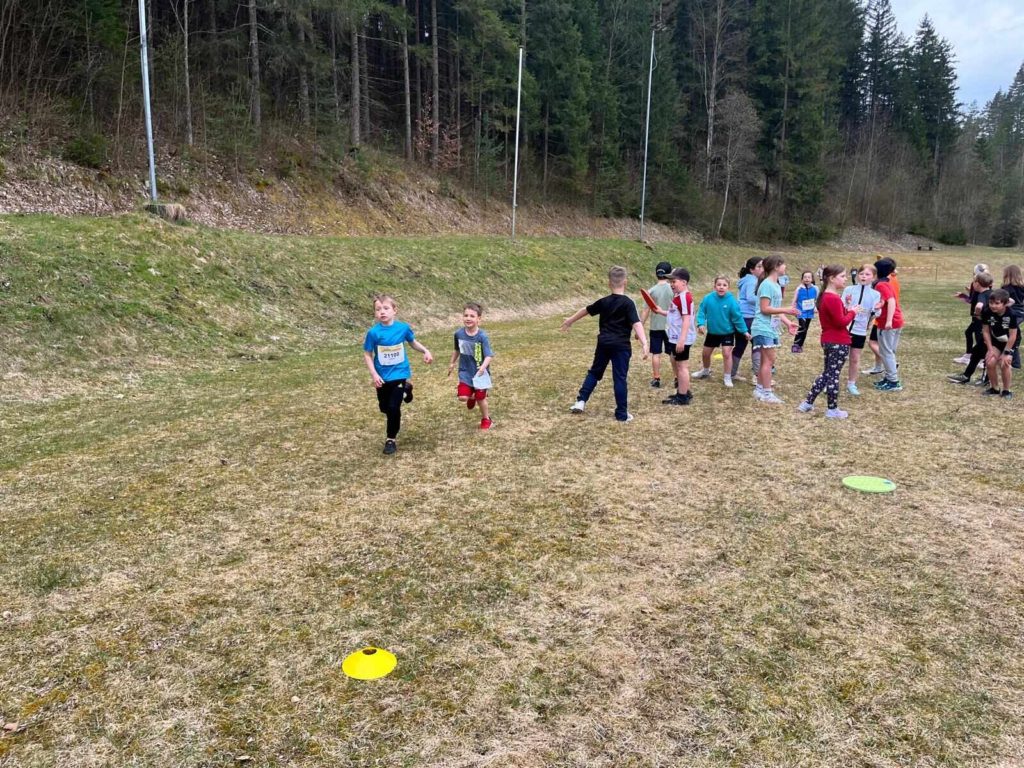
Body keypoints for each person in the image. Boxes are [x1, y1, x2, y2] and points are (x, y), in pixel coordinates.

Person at [564, 266, 649, 421]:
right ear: (625, 282)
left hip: (603, 343)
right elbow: (637, 324)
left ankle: (580, 401)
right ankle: (621, 414)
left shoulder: (604, 302)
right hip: (621, 346)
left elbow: (586, 310)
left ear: (609, 283)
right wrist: (644, 343)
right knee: (619, 378)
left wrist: (570, 320)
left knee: (594, 373)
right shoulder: (628, 303)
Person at [363, 294, 434, 454]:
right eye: (378, 309)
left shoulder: (403, 328)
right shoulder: (373, 333)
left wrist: (425, 351)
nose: (382, 312)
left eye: (386, 308)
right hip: (382, 376)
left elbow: (412, 342)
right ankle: (407, 389)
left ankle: (390, 440)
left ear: (394, 310)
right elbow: (367, 354)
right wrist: (374, 374)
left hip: (399, 373)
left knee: (393, 408)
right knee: (384, 408)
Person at [797, 265, 865, 419]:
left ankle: (807, 403)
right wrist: (853, 312)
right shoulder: (832, 298)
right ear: (832, 279)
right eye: (842, 276)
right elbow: (841, 322)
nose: (846, 279)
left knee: (828, 373)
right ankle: (832, 409)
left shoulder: (827, 296)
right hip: (838, 341)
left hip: (829, 340)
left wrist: (848, 307)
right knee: (833, 375)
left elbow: (837, 316)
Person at [751, 255, 799, 404]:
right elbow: (765, 309)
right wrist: (787, 309)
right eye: (783, 264)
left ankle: (760, 389)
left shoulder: (776, 285)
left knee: (766, 360)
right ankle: (767, 393)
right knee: (769, 360)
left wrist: (787, 322)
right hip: (762, 327)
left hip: (771, 327)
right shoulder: (767, 284)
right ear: (776, 267)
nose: (785, 267)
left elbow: (775, 309)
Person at [693, 274, 749, 388]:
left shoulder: (732, 301)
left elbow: (738, 318)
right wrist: (700, 324)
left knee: (726, 354)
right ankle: (705, 370)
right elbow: (701, 311)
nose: (721, 287)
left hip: (727, 333)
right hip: (712, 333)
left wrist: (745, 331)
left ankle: (727, 377)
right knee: (705, 354)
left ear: (728, 287)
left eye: (724, 285)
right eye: (719, 285)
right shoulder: (708, 298)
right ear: (714, 286)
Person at [652, 268, 698, 405]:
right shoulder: (679, 296)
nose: (671, 284)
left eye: (674, 281)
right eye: (670, 281)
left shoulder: (684, 297)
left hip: (681, 338)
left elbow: (686, 319)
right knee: (677, 363)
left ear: (684, 282)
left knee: (682, 366)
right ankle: (683, 391)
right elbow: (674, 314)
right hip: (675, 337)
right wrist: (661, 311)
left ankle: (683, 396)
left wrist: (681, 340)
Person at [447, 302, 494, 430]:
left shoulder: (482, 336)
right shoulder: (458, 334)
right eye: (466, 315)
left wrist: (482, 368)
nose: (468, 318)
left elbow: (489, 355)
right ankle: (471, 396)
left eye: (472, 316)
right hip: (465, 371)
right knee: (462, 397)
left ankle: (486, 419)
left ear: (479, 319)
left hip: (479, 372)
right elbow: (457, 349)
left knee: (481, 399)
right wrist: (452, 363)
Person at [840, 262, 881, 396]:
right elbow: (841, 306)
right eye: (861, 273)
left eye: (867, 274)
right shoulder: (849, 290)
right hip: (845, 328)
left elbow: (876, 313)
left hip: (860, 330)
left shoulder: (875, 294)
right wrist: (847, 303)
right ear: (857, 275)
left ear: (873, 277)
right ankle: (830, 381)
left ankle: (851, 383)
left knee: (855, 358)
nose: (864, 276)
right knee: (839, 357)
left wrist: (877, 309)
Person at [946, 273, 993, 384]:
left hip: (987, 329)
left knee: (987, 353)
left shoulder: (981, 295)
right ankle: (967, 376)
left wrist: (978, 315)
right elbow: (1010, 301)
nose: (972, 284)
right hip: (991, 328)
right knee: (976, 351)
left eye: (974, 282)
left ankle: (986, 379)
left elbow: (979, 306)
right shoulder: (993, 293)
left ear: (977, 283)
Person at [640, 261, 674, 388]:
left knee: (656, 353)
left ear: (656, 274)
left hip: (655, 327)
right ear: (670, 274)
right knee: (673, 353)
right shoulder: (673, 289)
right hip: (671, 327)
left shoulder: (651, 291)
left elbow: (645, 311)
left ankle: (656, 378)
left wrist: (640, 326)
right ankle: (677, 377)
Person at [979, 289, 1019, 398]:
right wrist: (990, 349)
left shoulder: (1011, 314)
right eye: (991, 303)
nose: (993, 306)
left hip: (1010, 342)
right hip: (996, 341)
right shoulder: (987, 312)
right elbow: (986, 331)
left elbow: (1013, 336)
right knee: (990, 362)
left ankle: (1007, 391)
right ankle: (994, 388)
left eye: (997, 303)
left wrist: (1006, 353)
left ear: (1005, 304)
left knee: (1004, 363)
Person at [872, 258, 904, 392]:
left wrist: (888, 321)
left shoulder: (881, 285)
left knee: (886, 352)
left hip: (888, 323)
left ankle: (893, 381)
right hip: (898, 320)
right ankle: (888, 377)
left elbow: (891, 301)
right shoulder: (887, 282)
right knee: (890, 351)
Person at [730, 256, 764, 382]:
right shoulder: (752, 281)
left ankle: (732, 373)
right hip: (749, 317)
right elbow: (750, 298)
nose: (762, 269)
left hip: (741, 317)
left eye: (763, 266)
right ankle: (758, 376)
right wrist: (764, 299)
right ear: (751, 269)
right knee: (757, 345)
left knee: (740, 345)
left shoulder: (746, 280)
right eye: (759, 266)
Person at [953, 266, 991, 365]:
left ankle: (982, 359)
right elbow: (973, 299)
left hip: (979, 317)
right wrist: (969, 292)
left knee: (979, 337)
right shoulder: (986, 287)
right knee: (969, 332)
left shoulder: (982, 291)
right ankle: (969, 355)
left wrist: (963, 296)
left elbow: (972, 301)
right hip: (977, 316)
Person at [1000, 264, 1024, 370]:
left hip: (1011, 312)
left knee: (1011, 335)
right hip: (1021, 312)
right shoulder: (1022, 287)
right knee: (1014, 333)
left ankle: (1013, 361)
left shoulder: (1005, 288)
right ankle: (1015, 362)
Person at [791, 271, 818, 353]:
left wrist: (816, 307)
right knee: (802, 327)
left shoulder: (815, 288)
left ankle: (800, 345)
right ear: (802, 279)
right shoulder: (799, 289)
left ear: (812, 279)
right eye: (805, 277)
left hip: (810, 312)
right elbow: (794, 300)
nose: (807, 279)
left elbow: (817, 300)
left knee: (805, 329)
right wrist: (793, 309)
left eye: (809, 277)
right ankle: (795, 345)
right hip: (800, 312)